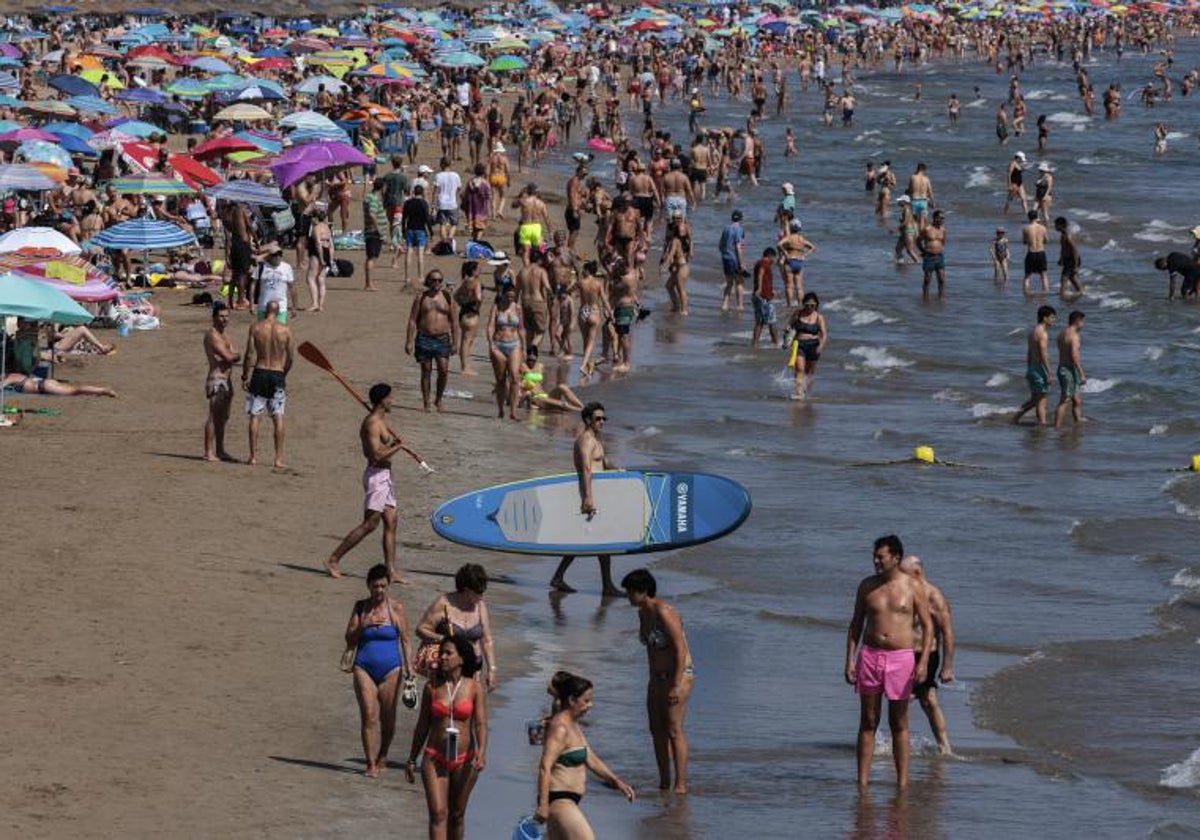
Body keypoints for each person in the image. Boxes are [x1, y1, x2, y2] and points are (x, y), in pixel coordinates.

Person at [845, 534, 933, 789]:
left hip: (901, 658)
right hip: (870, 656)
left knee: (899, 722)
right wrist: (849, 660)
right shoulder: (867, 586)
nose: (875, 561)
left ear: (895, 558)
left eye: (880, 557)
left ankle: (902, 784)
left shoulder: (913, 586)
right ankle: (862, 783)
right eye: (874, 556)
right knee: (868, 720)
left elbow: (927, 627)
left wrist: (924, 661)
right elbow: (855, 625)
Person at [324, 383, 409, 583]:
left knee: (391, 521)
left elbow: (384, 443)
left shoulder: (380, 419)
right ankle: (334, 559)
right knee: (370, 524)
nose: (392, 401)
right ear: (382, 400)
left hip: (386, 478)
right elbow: (376, 455)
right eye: (390, 398)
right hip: (376, 476)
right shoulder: (372, 423)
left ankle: (391, 571)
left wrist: (394, 444)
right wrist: (399, 447)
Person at [405, 635, 488, 840]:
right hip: (434, 757)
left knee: (457, 815)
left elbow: (480, 723)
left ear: (461, 658)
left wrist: (481, 752)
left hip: (465, 759)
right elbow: (422, 725)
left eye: (448, 653)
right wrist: (411, 758)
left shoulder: (474, 688)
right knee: (438, 814)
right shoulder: (431, 688)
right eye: (441, 653)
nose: (442, 657)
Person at [535, 672, 635, 838]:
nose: (591, 705)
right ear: (572, 700)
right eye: (586, 700)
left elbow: (591, 758)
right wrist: (543, 805)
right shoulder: (560, 728)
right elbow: (545, 767)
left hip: (569, 801)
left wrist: (616, 781)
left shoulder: (573, 725)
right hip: (559, 801)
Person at [622, 568, 693, 793]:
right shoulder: (642, 613)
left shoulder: (664, 611)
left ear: (644, 591)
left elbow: (680, 648)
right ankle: (664, 781)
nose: (627, 596)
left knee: (674, 729)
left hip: (678, 676)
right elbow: (651, 649)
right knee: (656, 729)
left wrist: (675, 683)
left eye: (630, 592)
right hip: (656, 677)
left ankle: (680, 784)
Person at [344, 563, 413, 778]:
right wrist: (364, 625)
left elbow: (406, 639)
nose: (380, 591)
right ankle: (370, 763)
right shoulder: (360, 607)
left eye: (383, 586)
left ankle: (383, 754)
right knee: (368, 714)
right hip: (363, 666)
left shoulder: (396, 608)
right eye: (375, 587)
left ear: (388, 585)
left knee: (388, 717)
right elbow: (348, 638)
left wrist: (409, 667)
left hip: (392, 668)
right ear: (368, 586)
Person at [549, 402, 622, 596]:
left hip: (597, 495)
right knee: (597, 539)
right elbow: (586, 468)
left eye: (603, 418)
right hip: (588, 494)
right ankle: (606, 585)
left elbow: (602, 463)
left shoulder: (595, 440)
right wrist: (588, 497)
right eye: (598, 418)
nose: (602, 422)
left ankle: (561, 577)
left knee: (591, 538)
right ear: (587, 419)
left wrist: (619, 470)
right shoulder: (586, 440)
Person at [899, 556, 955, 756]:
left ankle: (944, 746)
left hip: (926, 653)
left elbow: (948, 633)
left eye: (902, 574)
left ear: (916, 573)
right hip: (903, 653)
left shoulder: (934, 596)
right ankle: (899, 743)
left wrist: (947, 666)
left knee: (929, 700)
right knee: (901, 700)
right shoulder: (903, 593)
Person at [415, 563, 498, 692]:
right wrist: (443, 638)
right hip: (445, 669)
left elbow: (487, 640)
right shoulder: (443, 603)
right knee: (442, 706)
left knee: (467, 707)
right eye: (478, 593)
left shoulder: (480, 606)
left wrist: (492, 669)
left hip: (473, 669)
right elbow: (421, 629)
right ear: (466, 590)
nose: (481, 597)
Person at [241, 299, 293, 468]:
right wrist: (283, 373)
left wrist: (244, 375)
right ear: (278, 312)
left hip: (260, 371)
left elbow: (249, 354)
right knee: (278, 416)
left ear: (265, 311)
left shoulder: (256, 327)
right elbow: (291, 358)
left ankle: (253, 457)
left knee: (255, 416)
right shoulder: (285, 330)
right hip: (277, 373)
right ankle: (278, 459)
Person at [406, 270, 460, 413]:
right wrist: (409, 341)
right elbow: (412, 320)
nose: (437, 283)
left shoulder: (448, 298)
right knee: (426, 371)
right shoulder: (421, 298)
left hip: (442, 339)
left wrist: (456, 342)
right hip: (424, 338)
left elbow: (455, 322)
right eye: (434, 280)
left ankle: (439, 398)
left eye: (439, 280)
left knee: (443, 370)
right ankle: (426, 402)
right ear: (428, 281)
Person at [203, 301, 240, 462]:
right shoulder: (213, 335)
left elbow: (231, 355)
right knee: (213, 416)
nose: (224, 319)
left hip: (227, 379)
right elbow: (230, 356)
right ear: (214, 317)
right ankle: (208, 451)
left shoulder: (224, 334)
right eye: (221, 316)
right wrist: (234, 355)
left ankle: (220, 450)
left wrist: (233, 356)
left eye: (226, 316)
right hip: (216, 379)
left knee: (223, 417)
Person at [1012, 305, 1057, 427]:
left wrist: (1029, 369)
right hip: (1039, 369)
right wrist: (1049, 373)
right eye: (1052, 317)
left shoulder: (1033, 331)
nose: (1054, 320)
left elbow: (1029, 352)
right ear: (1045, 318)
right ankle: (1041, 424)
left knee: (1035, 400)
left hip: (1032, 368)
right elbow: (1043, 355)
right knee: (1041, 400)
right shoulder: (1043, 333)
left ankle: (1034, 422)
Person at [487, 280, 526, 420]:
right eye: (508, 296)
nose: (510, 299)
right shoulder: (496, 307)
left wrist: (524, 347)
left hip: (515, 344)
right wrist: (491, 344)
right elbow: (490, 326)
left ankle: (513, 411)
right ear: (503, 295)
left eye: (512, 297)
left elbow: (521, 328)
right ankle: (500, 410)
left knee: (515, 377)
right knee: (501, 379)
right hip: (499, 345)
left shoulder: (518, 308)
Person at [520, 346, 585, 413]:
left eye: (533, 360)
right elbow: (515, 383)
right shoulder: (523, 367)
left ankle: (583, 407)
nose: (531, 362)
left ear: (537, 357)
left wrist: (562, 361)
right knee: (563, 404)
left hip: (544, 395)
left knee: (562, 387)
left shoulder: (540, 366)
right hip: (536, 397)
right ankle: (582, 411)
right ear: (526, 357)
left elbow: (548, 382)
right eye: (529, 360)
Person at [787, 292, 827, 400]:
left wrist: (821, 346)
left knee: (809, 371)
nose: (810, 307)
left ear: (816, 305)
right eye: (808, 305)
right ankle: (798, 392)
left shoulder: (819, 317)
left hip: (814, 345)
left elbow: (824, 334)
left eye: (813, 305)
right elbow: (789, 327)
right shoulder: (798, 314)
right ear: (804, 304)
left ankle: (806, 391)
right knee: (800, 368)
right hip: (799, 344)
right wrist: (788, 337)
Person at [1054, 310, 1086, 429]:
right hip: (1068, 370)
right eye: (1083, 322)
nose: (1084, 325)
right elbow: (1074, 356)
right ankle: (1057, 427)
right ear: (1077, 321)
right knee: (1065, 400)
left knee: (1077, 400)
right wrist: (1081, 374)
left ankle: (1078, 424)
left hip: (1063, 368)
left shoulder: (1061, 333)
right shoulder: (1074, 336)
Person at [454, 260, 484, 375]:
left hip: (463, 311)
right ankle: (465, 367)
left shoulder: (465, 281)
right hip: (472, 312)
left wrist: (463, 304)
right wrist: (478, 303)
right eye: (478, 269)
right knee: (468, 341)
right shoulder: (476, 282)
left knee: (465, 340)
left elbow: (456, 296)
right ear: (473, 271)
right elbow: (478, 297)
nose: (480, 270)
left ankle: (465, 366)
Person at [401, 185, 434, 287]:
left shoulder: (408, 203)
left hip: (410, 229)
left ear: (413, 192)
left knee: (409, 252)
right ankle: (420, 276)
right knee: (420, 253)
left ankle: (407, 277)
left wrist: (403, 230)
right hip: (420, 230)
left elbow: (404, 218)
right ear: (422, 192)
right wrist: (430, 231)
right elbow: (427, 218)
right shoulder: (424, 203)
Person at [254, 244, 295, 323]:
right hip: (263, 307)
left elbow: (292, 287)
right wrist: (251, 305)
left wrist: (294, 306)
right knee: (263, 332)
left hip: (281, 307)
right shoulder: (261, 267)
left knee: (279, 332)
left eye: (279, 255)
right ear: (269, 256)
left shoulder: (287, 267)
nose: (277, 257)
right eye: (274, 255)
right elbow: (253, 284)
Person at [750, 247, 780, 350]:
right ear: (770, 256)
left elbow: (764, 278)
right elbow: (761, 274)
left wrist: (771, 290)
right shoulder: (764, 263)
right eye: (774, 258)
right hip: (764, 297)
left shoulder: (760, 263)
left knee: (760, 321)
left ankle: (755, 343)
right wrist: (759, 288)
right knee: (772, 321)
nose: (774, 261)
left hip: (761, 295)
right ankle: (776, 343)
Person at [362, 176, 388, 292]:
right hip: (374, 232)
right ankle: (369, 284)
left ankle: (369, 283)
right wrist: (379, 230)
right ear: (382, 187)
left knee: (371, 257)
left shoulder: (369, 197)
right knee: (372, 258)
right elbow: (372, 214)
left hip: (370, 231)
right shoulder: (373, 199)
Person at [718, 210, 746, 312]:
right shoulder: (739, 229)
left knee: (729, 283)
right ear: (741, 219)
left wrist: (725, 254)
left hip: (725, 258)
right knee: (739, 282)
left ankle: (725, 305)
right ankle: (739, 305)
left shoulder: (726, 228)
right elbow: (738, 246)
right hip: (734, 258)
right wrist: (741, 262)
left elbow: (721, 245)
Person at [917, 210, 947, 299]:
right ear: (935, 218)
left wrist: (940, 249)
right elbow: (918, 241)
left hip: (940, 256)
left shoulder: (943, 230)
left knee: (941, 279)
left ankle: (941, 297)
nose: (942, 220)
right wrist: (923, 250)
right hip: (929, 257)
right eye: (940, 218)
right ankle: (925, 297)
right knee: (927, 279)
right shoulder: (927, 229)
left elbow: (943, 242)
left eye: (943, 218)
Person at [1021, 210, 1049, 295]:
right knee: (1043, 275)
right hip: (1041, 252)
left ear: (1028, 218)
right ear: (1037, 217)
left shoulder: (1025, 229)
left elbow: (1024, 242)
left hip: (1031, 252)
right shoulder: (1043, 228)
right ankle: (1045, 293)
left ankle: (1026, 294)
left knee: (1027, 276)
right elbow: (1047, 241)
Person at [1055, 217, 1083, 298]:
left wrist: (1076, 266)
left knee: (1064, 278)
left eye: (1056, 225)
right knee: (1072, 278)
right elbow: (1064, 248)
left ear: (1061, 225)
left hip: (1072, 260)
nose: (1055, 227)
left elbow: (1075, 251)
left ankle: (1062, 295)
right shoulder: (1063, 235)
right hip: (1068, 259)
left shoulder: (1067, 236)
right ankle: (1081, 292)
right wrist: (1061, 258)